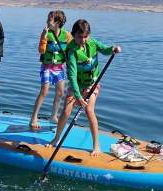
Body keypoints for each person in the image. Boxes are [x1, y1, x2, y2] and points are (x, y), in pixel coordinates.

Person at [45, 19, 121, 156]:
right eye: (80, 36)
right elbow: (72, 76)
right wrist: (78, 97)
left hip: (92, 84)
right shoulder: (71, 51)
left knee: (89, 111)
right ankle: (56, 138)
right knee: (65, 113)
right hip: (76, 85)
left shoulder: (92, 42)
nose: (83, 39)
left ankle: (96, 144)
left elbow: (105, 50)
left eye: (85, 36)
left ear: (89, 35)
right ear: (73, 35)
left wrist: (113, 48)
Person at [29, 10, 71, 128]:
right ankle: (33, 118)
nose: (47, 21)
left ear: (57, 22)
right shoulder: (46, 34)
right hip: (47, 67)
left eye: (49, 19)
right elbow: (41, 51)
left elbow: (69, 50)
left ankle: (53, 116)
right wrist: (44, 37)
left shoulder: (66, 35)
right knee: (44, 91)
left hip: (59, 68)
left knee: (60, 92)